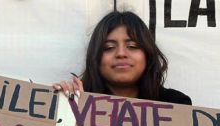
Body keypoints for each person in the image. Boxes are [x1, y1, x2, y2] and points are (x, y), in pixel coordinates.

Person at [53, 11, 192, 105]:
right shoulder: (74, 101)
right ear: (96, 58)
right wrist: (72, 109)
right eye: (108, 48)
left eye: (132, 46)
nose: (121, 53)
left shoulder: (176, 104)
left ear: (147, 54)